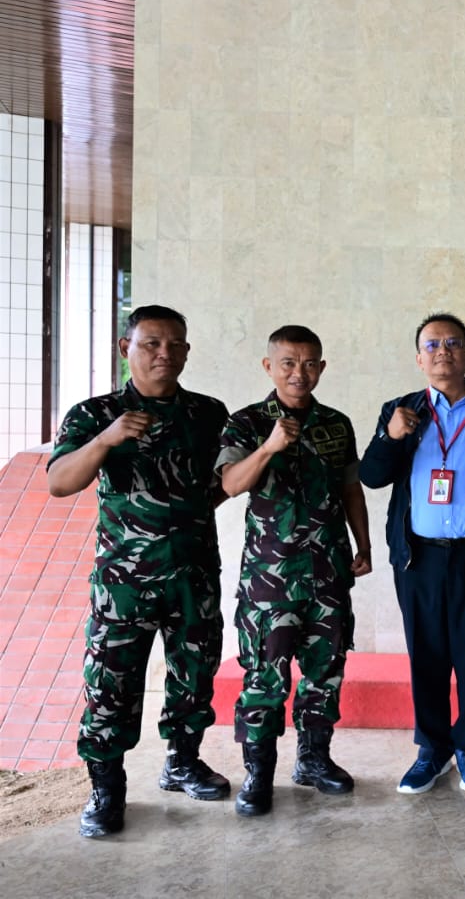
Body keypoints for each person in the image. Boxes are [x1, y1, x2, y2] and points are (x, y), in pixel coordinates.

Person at [47, 304, 231, 838]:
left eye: (175, 344)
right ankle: (107, 790)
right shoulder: (95, 413)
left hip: (194, 576)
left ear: (187, 352)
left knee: (194, 676)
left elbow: (221, 482)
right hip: (123, 586)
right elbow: (59, 482)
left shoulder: (208, 413)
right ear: (125, 348)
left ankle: (183, 762)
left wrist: (184, 516)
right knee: (111, 685)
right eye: (151, 343)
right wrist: (105, 439)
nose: (164, 353)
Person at [359, 313, 465, 795]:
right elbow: (371, 476)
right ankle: (432, 749)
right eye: (432, 344)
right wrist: (391, 435)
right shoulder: (400, 411)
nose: (443, 352)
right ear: (419, 358)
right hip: (418, 557)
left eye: (453, 343)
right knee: (426, 655)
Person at [216, 325, 373, 817]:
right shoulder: (245, 422)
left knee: (325, 672)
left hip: (328, 571)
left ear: (321, 368)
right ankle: (258, 774)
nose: (298, 373)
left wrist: (364, 544)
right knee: (265, 678)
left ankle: (313, 759)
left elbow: (350, 487)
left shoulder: (336, 424)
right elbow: (230, 484)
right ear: (269, 367)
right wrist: (267, 448)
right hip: (272, 579)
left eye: (308, 364)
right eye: (288, 363)